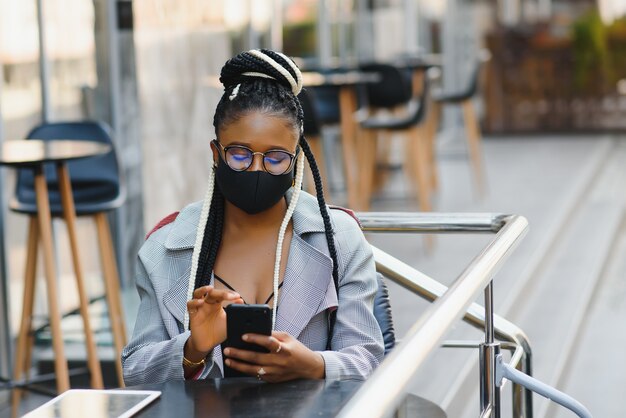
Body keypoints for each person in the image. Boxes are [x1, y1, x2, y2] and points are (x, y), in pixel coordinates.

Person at [121, 49, 384, 385]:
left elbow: (370, 361)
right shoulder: (163, 249)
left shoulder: (340, 238)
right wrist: (192, 348)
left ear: (296, 161)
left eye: (275, 159)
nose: (257, 169)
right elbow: (135, 372)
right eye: (240, 154)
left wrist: (315, 366)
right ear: (216, 153)